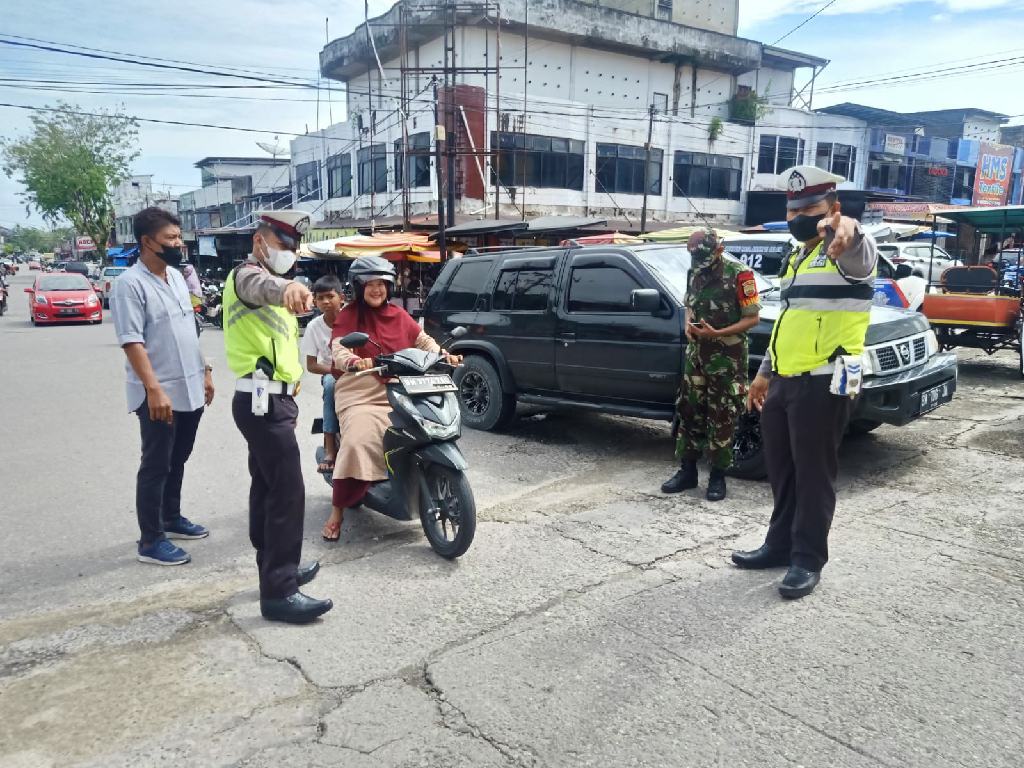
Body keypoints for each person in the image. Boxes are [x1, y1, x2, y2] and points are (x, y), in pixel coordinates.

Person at [734, 165, 878, 600]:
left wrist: (846, 227)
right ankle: (779, 545)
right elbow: (787, 323)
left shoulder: (848, 253)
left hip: (824, 382)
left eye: (810, 209)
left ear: (832, 208)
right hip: (784, 380)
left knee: (814, 475)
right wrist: (763, 374)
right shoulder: (798, 258)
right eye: (792, 210)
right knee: (781, 469)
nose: (798, 217)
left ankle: (807, 559)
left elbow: (855, 241)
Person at [224, 210, 332, 624]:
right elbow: (265, 287)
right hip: (262, 403)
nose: (290, 253)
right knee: (287, 493)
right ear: (260, 241)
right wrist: (289, 285)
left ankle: (272, 569)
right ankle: (280, 591)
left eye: (293, 248)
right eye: (282, 245)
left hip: (272, 402)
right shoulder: (247, 277)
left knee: (267, 489)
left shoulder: (268, 279)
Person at [323, 256, 461, 541]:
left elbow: (422, 340)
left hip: (400, 384)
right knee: (357, 440)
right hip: (361, 388)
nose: (377, 289)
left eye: (382, 284)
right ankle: (337, 511)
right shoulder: (348, 315)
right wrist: (353, 361)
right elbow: (338, 348)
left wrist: (442, 354)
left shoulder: (398, 314)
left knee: (422, 425)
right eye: (370, 284)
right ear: (359, 287)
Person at [111, 208, 214, 566]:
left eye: (178, 237)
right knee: (156, 464)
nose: (178, 243)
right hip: (159, 392)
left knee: (178, 458)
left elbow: (189, 330)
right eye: (170, 238)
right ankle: (150, 540)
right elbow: (131, 341)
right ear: (147, 241)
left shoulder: (177, 277)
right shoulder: (129, 285)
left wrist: (206, 370)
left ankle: (171, 518)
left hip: (190, 385)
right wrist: (153, 389)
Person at [661, 229, 760, 501]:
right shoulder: (694, 271)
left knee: (722, 415)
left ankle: (718, 475)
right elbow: (689, 306)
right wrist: (688, 325)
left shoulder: (741, 275)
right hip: (697, 356)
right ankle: (687, 471)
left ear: (719, 250)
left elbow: (752, 319)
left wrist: (717, 333)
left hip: (727, 359)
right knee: (689, 410)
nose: (700, 265)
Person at [300, 274, 345, 475]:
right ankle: (330, 448)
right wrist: (335, 371)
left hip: (358, 370)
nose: (326, 301)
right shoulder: (313, 327)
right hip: (331, 374)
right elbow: (311, 365)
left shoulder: (352, 318)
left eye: (330, 296)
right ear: (315, 301)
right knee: (330, 385)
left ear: (341, 297)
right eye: (320, 298)